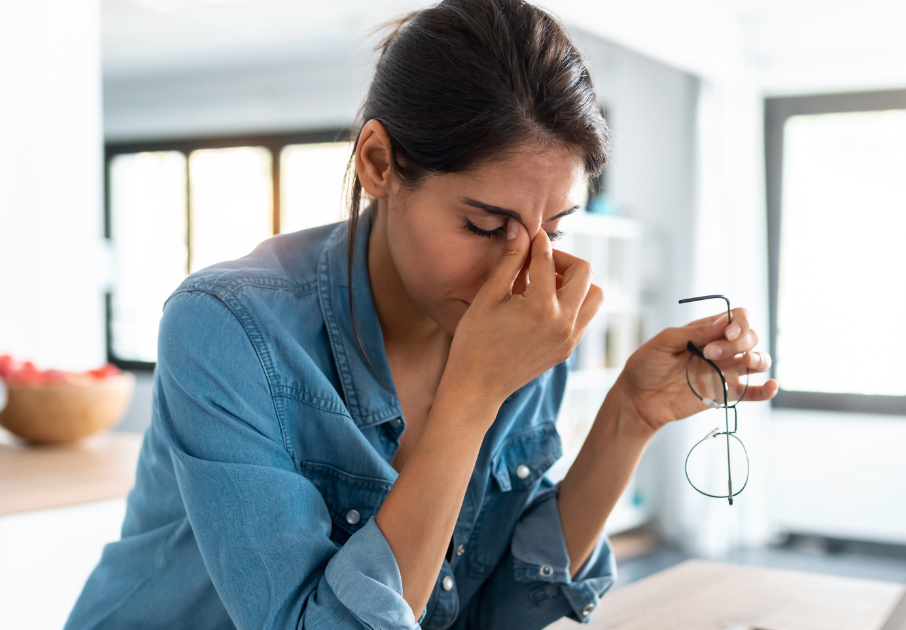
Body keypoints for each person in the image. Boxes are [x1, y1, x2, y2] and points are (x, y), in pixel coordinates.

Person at [66, 0, 777, 628]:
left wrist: (630, 415)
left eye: (554, 230)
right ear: (377, 162)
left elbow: (477, 609)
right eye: (482, 224)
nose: (522, 271)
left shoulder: (519, 323)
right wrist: (472, 395)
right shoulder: (228, 326)